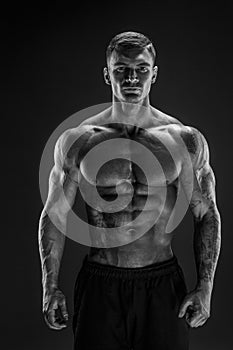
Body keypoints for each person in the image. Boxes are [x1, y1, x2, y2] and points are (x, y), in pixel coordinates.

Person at [38, 31, 221, 350]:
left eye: (141, 67)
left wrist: (205, 287)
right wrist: (49, 285)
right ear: (108, 75)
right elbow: (54, 214)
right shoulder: (78, 140)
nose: (132, 76)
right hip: (101, 283)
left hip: (162, 284)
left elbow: (206, 212)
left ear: (155, 73)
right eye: (121, 68)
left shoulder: (184, 140)